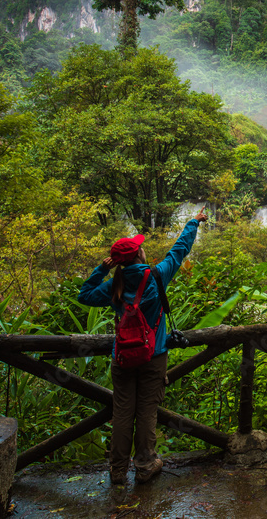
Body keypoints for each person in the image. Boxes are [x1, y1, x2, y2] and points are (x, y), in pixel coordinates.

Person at [78, 208, 208, 485]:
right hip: (154, 355)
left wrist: (103, 269)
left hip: (123, 356)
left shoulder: (113, 285)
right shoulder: (158, 276)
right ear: (138, 255)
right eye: (140, 248)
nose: (143, 250)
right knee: (147, 411)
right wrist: (193, 223)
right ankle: (146, 465)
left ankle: (117, 471)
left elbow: (85, 295)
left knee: (123, 412)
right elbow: (179, 250)